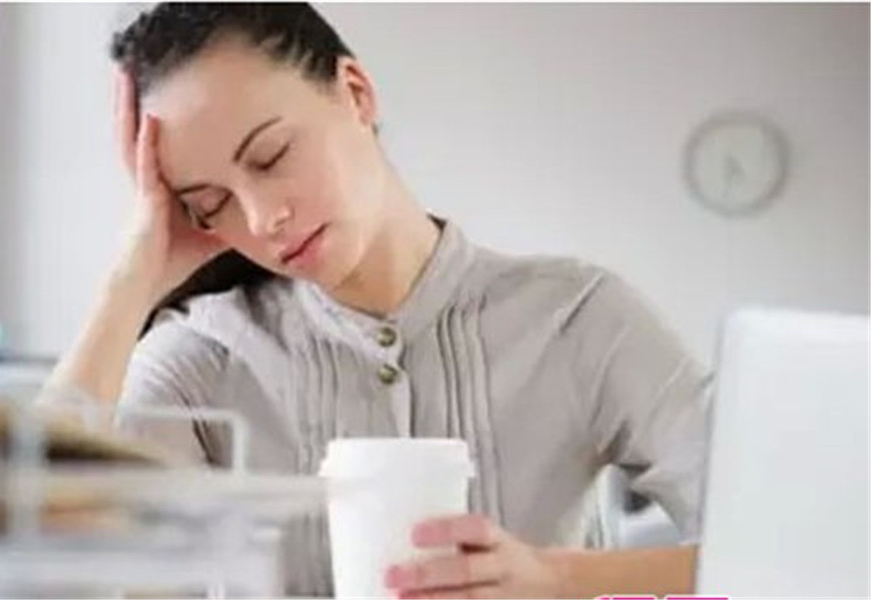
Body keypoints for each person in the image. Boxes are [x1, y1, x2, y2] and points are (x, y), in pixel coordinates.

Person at [43, 3, 712, 597]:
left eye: (271, 156)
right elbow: (37, 552)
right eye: (212, 204)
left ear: (356, 93)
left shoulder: (577, 319)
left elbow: (769, 544)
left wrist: (558, 579)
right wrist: (136, 274)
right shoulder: (198, 359)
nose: (263, 219)